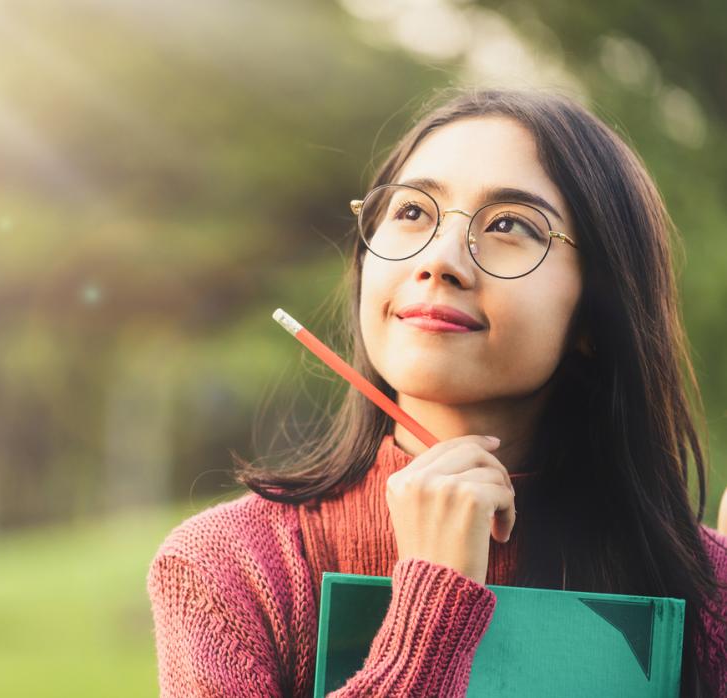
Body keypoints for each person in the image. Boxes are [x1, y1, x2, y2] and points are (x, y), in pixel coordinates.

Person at [146, 87, 727, 697]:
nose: (440, 259)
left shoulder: (702, 587)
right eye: (412, 213)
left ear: (594, 314)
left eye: (509, 225)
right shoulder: (231, 568)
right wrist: (433, 606)